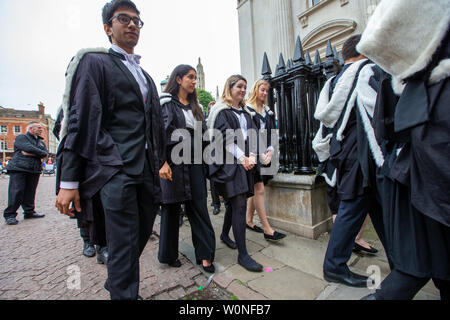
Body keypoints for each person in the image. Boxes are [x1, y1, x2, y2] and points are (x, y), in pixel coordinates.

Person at [54, 0, 166, 300]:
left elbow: (154, 126)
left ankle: (118, 280)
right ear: (108, 28)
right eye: (123, 19)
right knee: (124, 239)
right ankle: (124, 292)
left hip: (145, 169)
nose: (132, 25)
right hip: (114, 168)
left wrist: (162, 161)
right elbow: (82, 119)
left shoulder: (146, 76)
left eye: (136, 21)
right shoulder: (94, 62)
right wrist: (69, 181)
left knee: (140, 234)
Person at [357, 0, 450, 300]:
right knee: (414, 271)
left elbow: (384, 128)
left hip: (409, 179)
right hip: (425, 183)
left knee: (419, 269)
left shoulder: (399, 82)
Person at [313, 34, 389, 287]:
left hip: (344, 153)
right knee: (353, 208)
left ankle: (403, 263)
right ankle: (334, 266)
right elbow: (382, 110)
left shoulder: (334, 81)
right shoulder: (368, 71)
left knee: (377, 209)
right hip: (363, 155)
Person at [158, 64, 216, 273]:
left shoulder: (197, 108)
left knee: (199, 207)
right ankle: (169, 254)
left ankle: (205, 255)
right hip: (173, 164)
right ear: (179, 79)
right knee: (171, 210)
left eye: (195, 78)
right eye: (190, 77)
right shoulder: (166, 105)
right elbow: (160, 134)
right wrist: (161, 162)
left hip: (195, 164)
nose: (194, 81)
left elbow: (205, 137)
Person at [207, 75, 263, 272]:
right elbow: (225, 138)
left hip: (245, 162)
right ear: (229, 87)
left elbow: (255, 135)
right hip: (229, 163)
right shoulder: (222, 111)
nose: (242, 90)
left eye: (245, 87)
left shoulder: (246, 112)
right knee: (239, 203)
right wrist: (243, 158)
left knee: (234, 202)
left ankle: (224, 234)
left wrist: (254, 156)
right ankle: (243, 255)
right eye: (239, 86)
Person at [245, 79, 286, 241]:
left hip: (266, 155)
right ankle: (267, 229)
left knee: (257, 190)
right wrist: (260, 153)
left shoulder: (268, 111)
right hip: (254, 155)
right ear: (256, 90)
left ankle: (248, 220)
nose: (265, 93)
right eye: (262, 90)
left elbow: (272, 134)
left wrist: (270, 151)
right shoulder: (248, 110)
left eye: (266, 91)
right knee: (259, 189)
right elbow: (248, 135)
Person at [3, 122, 48, 225]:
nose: (41, 129)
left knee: (30, 192)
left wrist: (34, 153)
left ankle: (29, 211)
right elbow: (28, 148)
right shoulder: (21, 137)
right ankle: (10, 214)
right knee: (16, 192)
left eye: (41, 128)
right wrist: (38, 153)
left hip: (34, 169)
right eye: (39, 127)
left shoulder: (41, 142)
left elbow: (45, 153)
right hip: (20, 168)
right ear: (31, 129)